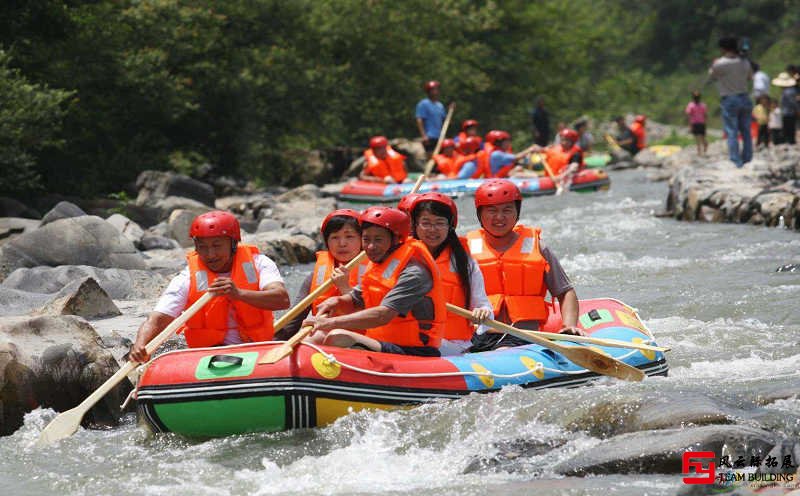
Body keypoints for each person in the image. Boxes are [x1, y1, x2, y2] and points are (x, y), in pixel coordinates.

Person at [129, 211, 290, 362]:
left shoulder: (259, 263)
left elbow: (281, 299)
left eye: (217, 246)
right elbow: (158, 319)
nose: (210, 254)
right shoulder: (187, 277)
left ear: (233, 244)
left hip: (257, 349)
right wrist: (140, 345)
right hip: (209, 356)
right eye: (202, 247)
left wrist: (239, 293)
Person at [304, 207, 445, 357]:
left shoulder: (414, 273)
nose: (370, 246)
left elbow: (383, 315)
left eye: (378, 240)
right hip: (380, 341)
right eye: (366, 239)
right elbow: (356, 298)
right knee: (317, 335)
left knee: (337, 336)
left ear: (397, 239)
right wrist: (337, 301)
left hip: (416, 350)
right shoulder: (378, 263)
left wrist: (331, 323)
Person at [466, 180, 583, 352]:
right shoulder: (465, 251)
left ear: (517, 213)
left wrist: (570, 326)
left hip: (522, 335)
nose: (499, 217)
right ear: (480, 214)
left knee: (502, 353)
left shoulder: (538, 248)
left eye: (507, 210)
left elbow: (565, 291)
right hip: (478, 334)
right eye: (492, 211)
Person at [408, 193, 492, 355]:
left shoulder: (463, 261)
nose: (433, 230)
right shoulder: (402, 258)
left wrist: (483, 312)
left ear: (450, 226)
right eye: (426, 223)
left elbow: (484, 306)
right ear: (415, 225)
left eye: (440, 223)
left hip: (453, 345)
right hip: (410, 338)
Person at [279, 209, 368, 339]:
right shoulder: (317, 275)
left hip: (365, 342)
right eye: (334, 237)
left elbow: (378, 316)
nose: (342, 243)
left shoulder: (374, 270)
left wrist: (345, 289)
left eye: (349, 236)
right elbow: (293, 321)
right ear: (327, 242)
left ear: (362, 239)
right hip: (324, 342)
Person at [708, 36, 753, 167]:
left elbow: (712, 75)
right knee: (746, 130)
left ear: (723, 48)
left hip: (729, 98)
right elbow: (750, 77)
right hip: (744, 97)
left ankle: (735, 160)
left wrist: (713, 64)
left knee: (732, 130)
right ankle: (747, 157)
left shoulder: (720, 63)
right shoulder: (744, 61)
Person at [416, 80, 447, 156]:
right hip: (429, 136)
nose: (435, 92)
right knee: (431, 157)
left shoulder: (440, 105)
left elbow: (444, 120)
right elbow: (419, 120)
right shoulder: (423, 104)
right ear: (428, 92)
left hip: (440, 137)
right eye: (433, 90)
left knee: (440, 158)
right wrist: (424, 135)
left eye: (436, 89)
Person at [773, 72, 798, 145]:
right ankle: (789, 140)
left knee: (789, 126)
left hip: (789, 112)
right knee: (789, 126)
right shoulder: (789, 91)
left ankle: (790, 140)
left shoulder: (788, 92)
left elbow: (792, 103)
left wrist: (797, 110)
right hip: (788, 112)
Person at [685, 91, 708, 155]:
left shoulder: (691, 105)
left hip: (697, 123)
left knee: (698, 137)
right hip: (699, 123)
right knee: (699, 137)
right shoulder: (702, 105)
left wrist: (689, 125)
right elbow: (705, 115)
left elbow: (689, 115)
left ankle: (701, 148)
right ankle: (700, 149)